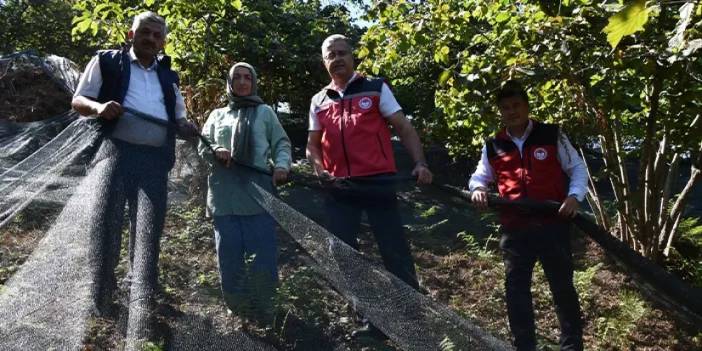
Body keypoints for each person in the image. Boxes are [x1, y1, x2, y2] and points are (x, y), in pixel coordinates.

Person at [71, 11, 198, 348]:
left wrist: (187, 128)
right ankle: (102, 294)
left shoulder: (168, 75)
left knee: (148, 227)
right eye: (145, 33)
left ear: (164, 41)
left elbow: (180, 117)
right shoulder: (107, 61)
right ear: (131, 33)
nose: (151, 39)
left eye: (157, 35)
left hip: (154, 160)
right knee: (106, 221)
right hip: (114, 152)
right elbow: (78, 99)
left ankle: (142, 290)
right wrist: (99, 109)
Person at [306, 34, 433, 337]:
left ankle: (413, 319)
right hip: (339, 188)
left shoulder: (376, 88)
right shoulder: (319, 100)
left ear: (353, 57)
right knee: (343, 254)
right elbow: (313, 145)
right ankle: (370, 322)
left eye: (342, 53)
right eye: (330, 55)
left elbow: (403, 127)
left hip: (378, 182)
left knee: (394, 251)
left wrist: (421, 163)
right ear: (324, 62)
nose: (337, 58)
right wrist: (320, 170)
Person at [469, 80, 587, 351]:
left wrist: (574, 196)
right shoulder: (494, 145)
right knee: (516, 291)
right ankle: (524, 346)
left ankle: (571, 347)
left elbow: (577, 169)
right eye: (506, 108)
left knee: (563, 290)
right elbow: (479, 176)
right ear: (500, 112)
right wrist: (477, 188)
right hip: (515, 229)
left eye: (517, 105)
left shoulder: (552, 135)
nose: (512, 111)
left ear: (527, 106)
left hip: (552, 226)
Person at [198, 62, 291, 323]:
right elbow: (202, 144)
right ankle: (238, 308)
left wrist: (282, 166)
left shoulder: (265, 113)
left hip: (259, 197)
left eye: (247, 77)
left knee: (263, 256)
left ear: (253, 81)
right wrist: (215, 150)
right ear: (229, 83)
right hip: (223, 197)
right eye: (236, 77)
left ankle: (267, 308)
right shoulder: (217, 115)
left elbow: (281, 144)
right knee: (228, 257)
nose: (241, 82)